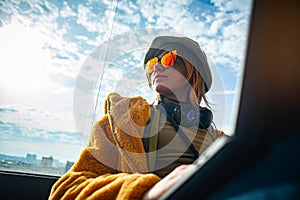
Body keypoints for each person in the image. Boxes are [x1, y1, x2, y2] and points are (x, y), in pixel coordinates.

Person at [48, 36, 227, 200]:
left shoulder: (220, 140)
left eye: (168, 59)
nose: (156, 66)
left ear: (194, 69)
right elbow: (66, 189)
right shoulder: (125, 121)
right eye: (152, 64)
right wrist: (145, 192)